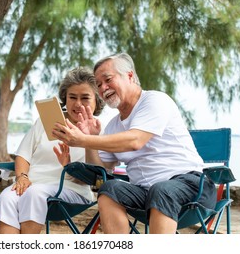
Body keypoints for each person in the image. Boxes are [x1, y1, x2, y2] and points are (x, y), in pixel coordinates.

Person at [52, 52, 217, 234]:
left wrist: (85, 139)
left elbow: (135, 140)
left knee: (161, 190)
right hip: (145, 194)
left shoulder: (155, 100)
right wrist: (90, 141)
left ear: (129, 76)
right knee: (109, 188)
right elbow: (100, 170)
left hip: (192, 186)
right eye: (98, 85)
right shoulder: (114, 125)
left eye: (108, 79)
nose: (103, 88)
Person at [0, 66, 105, 234]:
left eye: (85, 98)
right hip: (32, 184)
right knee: (7, 197)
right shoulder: (46, 121)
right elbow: (23, 155)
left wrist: (70, 164)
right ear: (64, 98)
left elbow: (96, 177)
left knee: (34, 194)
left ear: (96, 100)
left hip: (72, 190)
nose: (78, 104)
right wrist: (22, 177)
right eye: (72, 97)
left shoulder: (100, 130)